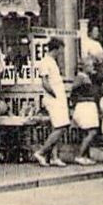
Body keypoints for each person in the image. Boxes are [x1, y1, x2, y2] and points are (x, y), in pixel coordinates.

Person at [31, 37, 72, 167]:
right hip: (54, 99)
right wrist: (55, 95)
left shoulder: (52, 62)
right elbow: (45, 82)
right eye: (60, 50)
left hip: (58, 98)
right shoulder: (45, 62)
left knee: (58, 127)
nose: (61, 53)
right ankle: (41, 152)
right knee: (61, 126)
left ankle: (54, 156)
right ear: (56, 48)